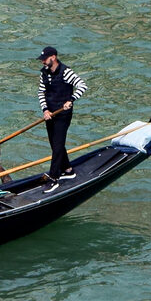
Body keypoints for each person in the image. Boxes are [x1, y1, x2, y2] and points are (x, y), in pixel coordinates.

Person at [37, 45, 88, 193]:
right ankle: (68, 170)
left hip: (63, 115)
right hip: (50, 114)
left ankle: (53, 178)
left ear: (53, 57)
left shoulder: (66, 72)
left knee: (58, 146)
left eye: (44, 59)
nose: (43, 62)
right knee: (55, 144)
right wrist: (45, 110)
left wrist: (71, 100)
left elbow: (82, 86)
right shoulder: (44, 74)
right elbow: (41, 92)